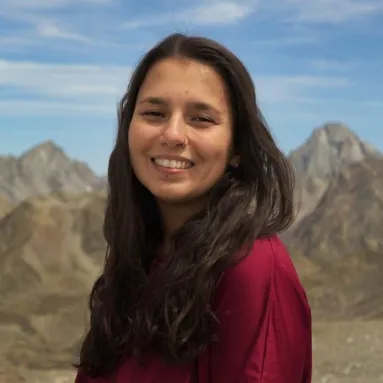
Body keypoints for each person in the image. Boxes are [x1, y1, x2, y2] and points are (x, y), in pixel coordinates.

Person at [74, 33, 312, 383]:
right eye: (154, 113)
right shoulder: (138, 256)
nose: (172, 134)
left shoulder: (253, 268)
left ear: (237, 148)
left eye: (201, 119)